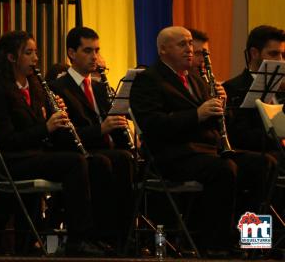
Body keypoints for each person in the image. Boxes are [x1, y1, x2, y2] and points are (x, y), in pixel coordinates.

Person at [129, 26, 275, 258]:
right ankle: (216, 243)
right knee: (225, 170)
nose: (190, 49)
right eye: (182, 44)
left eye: (190, 44)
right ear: (163, 50)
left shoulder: (196, 79)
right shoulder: (148, 81)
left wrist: (222, 107)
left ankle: (253, 239)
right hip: (172, 155)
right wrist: (197, 114)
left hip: (206, 151)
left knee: (263, 163)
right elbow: (153, 125)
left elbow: (215, 123)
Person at [0, 30, 104, 257]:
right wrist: (46, 127)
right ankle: (77, 237)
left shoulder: (36, 87)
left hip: (35, 155)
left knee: (86, 160)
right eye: (28, 53)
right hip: (13, 161)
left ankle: (92, 234)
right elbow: (6, 140)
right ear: (11, 58)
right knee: (74, 163)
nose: (36, 59)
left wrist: (54, 119)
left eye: (36, 52)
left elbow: (42, 134)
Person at [48, 27, 134, 250]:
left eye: (97, 50)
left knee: (127, 158)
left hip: (105, 150)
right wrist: (102, 128)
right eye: (87, 51)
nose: (94, 56)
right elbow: (64, 134)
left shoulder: (98, 87)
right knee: (105, 162)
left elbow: (110, 123)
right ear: (71, 53)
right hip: (78, 152)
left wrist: (120, 123)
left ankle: (123, 235)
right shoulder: (58, 87)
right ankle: (98, 234)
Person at [223, 25, 285, 152]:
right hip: (263, 155)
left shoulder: (283, 87)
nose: (280, 60)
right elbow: (240, 136)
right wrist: (278, 140)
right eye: (274, 54)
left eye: (283, 55)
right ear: (254, 53)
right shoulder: (233, 88)